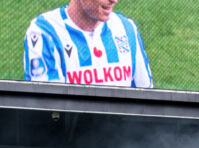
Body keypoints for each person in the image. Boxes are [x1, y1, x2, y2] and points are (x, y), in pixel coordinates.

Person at [23, 0, 153, 89]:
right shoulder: (45, 32)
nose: (114, 0)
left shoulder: (126, 28)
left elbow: (147, 97)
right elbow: (48, 107)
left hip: (121, 128)